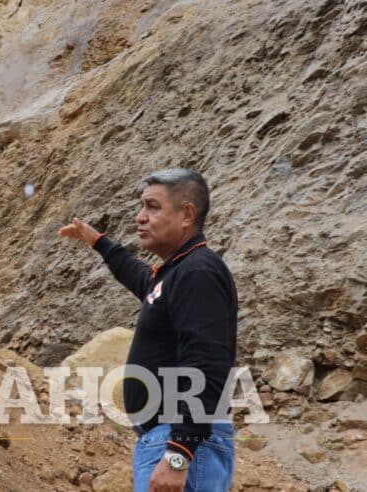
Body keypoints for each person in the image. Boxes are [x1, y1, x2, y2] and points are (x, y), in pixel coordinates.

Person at [58, 168, 237, 492]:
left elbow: (208, 365)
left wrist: (179, 454)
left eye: (152, 207)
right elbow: (139, 277)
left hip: (183, 444)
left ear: (186, 215)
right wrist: (97, 241)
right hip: (170, 439)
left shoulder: (198, 273)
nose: (140, 217)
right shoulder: (174, 273)